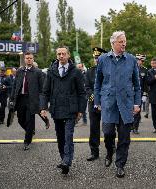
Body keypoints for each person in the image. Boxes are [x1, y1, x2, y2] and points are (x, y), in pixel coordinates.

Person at [94, 31, 141, 178]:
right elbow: (98, 83)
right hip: (108, 102)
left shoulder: (131, 60)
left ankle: (120, 164)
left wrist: (137, 103)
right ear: (113, 43)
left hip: (126, 104)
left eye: (125, 41)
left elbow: (137, 85)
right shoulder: (103, 59)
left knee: (124, 137)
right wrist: (97, 101)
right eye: (121, 41)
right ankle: (109, 151)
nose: (124, 44)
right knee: (108, 132)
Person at [40, 46, 87, 175]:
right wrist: (43, 107)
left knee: (68, 136)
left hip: (71, 110)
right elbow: (45, 92)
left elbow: (82, 93)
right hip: (56, 109)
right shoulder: (51, 71)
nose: (61, 56)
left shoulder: (75, 72)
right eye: (59, 54)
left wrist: (81, 110)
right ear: (57, 56)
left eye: (63, 54)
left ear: (68, 55)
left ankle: (67, 161)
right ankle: (63, 158)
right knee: (60, 137)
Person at [10, 52, 45, 151]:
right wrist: (12, 98)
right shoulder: (19, 71)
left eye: (30, 58)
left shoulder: (38, 72)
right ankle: (30, 131)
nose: (29, 59)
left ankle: (27, 141)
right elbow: (15, 85)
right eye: (27, 58)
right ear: (24, 60)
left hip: (32, 100)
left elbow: (42, 89)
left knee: (30, 120)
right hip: (20, 99)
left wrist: (42, 103)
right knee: (20, 119)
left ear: (33, 59)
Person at [86, 47, 107, 161]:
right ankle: (94, 152)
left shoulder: (109, 70)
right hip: (93, 103)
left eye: (98, 57)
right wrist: (94, 96)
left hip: (107, 103)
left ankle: (110, 147)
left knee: (109, 127)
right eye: (95, 58)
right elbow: (87, 87)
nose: (96, 60)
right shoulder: (90, 71)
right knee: (94, 128)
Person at [132, 53, 148, 134]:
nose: (140, 62)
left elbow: (145, 83)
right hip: (130, 93)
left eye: (141, 61)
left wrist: (145, 94)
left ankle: (135, 128)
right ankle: (130, 126)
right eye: (138, 60)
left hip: (139, 93)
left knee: (137, 111)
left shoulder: (144, 70)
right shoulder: (130, 68)